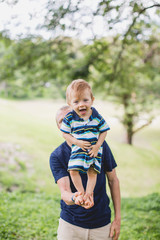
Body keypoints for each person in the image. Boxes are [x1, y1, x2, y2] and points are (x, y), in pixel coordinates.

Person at [49, 105, 121, 240]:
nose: (66, 121)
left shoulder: (100, 146)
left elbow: (113, 180)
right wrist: (75, 198)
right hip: (70, 225)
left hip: (101, 223)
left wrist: (117, 219)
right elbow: (64, 192)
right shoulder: (57, 156)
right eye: (61, 121)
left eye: (69, 117)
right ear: (60, 128)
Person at [60, 79, 110, 207]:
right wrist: (76, 142)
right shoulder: (69, 118)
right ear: (69, 103)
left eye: (85, 100)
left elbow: (104, 131)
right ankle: (81, 192)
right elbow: (65, 133)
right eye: (76, 102)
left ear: (92, 100)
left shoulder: (96, 116)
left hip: (93, 149)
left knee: (92, 173)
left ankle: (89, 193)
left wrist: (98, 146)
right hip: (78, 149)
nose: (81, 104)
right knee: (73, 170)